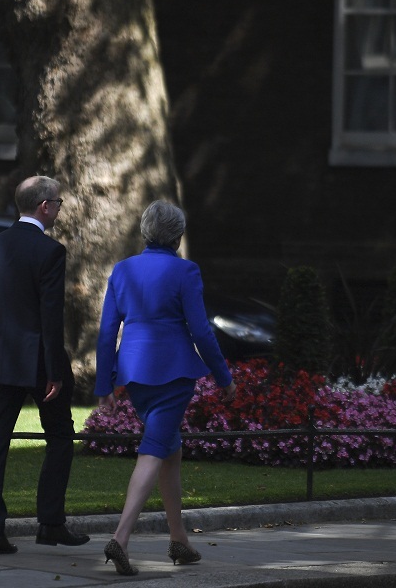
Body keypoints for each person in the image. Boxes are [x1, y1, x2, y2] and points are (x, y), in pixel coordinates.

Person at [94, 200, 236, 576]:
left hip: (134, 372)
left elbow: (107, 332)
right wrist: (224, 377)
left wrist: (104, 382)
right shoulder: (185, 270)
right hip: (173, 372)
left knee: (171, 450)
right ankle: (120, 538)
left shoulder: (123, 269)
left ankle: (179, 540)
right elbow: (201, 331)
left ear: (145, 231)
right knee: (155, 449)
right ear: (178, 236)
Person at [0, 175, 89, 556]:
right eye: (58, 203)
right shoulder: (50, 251)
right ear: (44, 206)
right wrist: (54, 371)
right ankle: (50, 522)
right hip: (38, 359)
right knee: (60, 437)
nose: (59, 209)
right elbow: (50, 316)